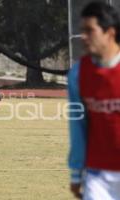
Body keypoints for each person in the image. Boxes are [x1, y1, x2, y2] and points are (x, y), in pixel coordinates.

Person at [68, 2, 120, 199]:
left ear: (110, 32)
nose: (84, 36)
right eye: (82, 30)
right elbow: (78, 127)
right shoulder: (78, 73)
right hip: (97, 176)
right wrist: (76, 173)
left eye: (90, 30)